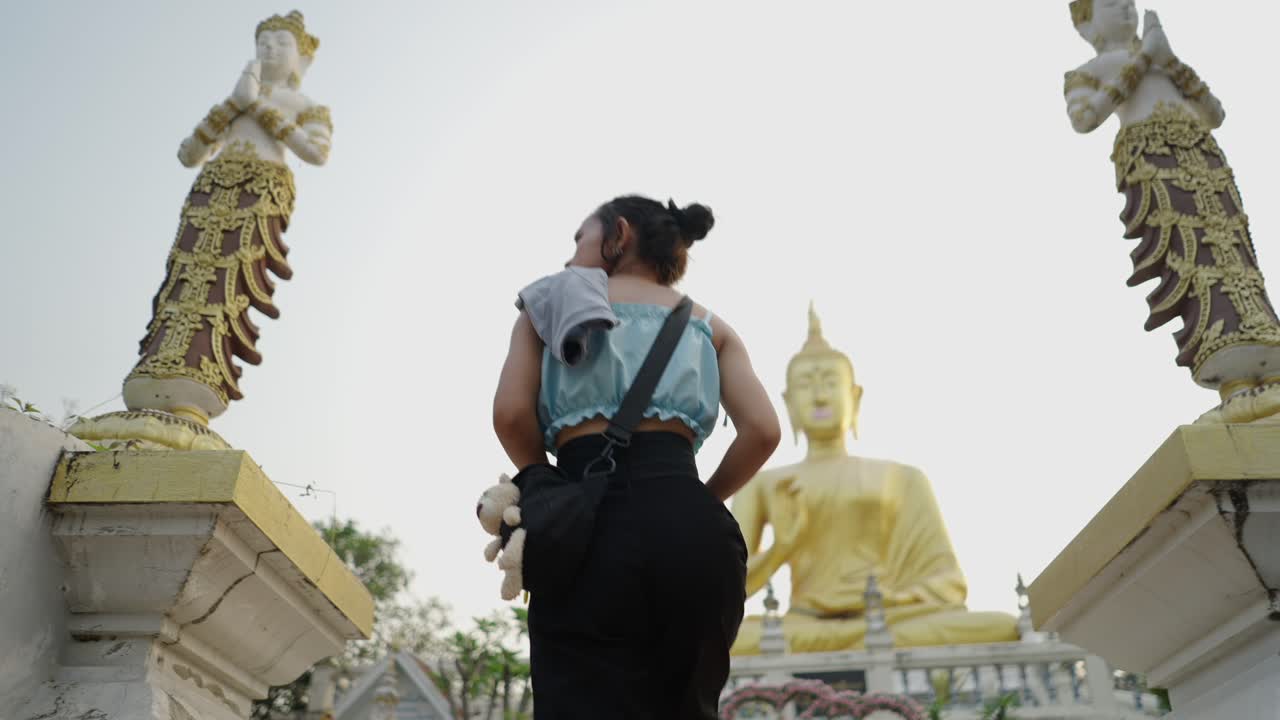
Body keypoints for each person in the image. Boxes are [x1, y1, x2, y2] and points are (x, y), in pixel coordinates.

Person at [492, 195, 781, 718]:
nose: (568, 258)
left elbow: (511, 417)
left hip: (583, 528)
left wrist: (543, 484)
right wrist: (697, 500)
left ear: (618, 235)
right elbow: (762, 431)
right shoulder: (711, 326)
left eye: (578, 239)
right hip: (695, 530)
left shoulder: (547, 304)